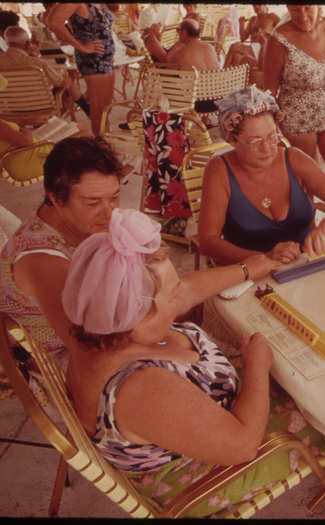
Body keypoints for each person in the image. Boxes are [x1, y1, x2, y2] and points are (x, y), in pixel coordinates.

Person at [60, 208, 325, 517]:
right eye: (171, 297)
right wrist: (256, 367)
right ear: (135, 317)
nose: (180, 299)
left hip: (198, 422)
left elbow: (188, 290)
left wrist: (253, 267)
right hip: (208, 475)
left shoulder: (105, 321)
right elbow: (241, 447)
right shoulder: (141, 388)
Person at [0, 137, 277, 367]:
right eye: (92, 202)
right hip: (73, 371)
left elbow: (174, 290)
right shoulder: (42, 260)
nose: (109, 213)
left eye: (114, 196)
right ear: (54, 197)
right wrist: (178, 355)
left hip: (113, 345)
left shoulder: (88, 226)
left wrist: (250, 268)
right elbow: (89, 351)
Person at [199, 86, 325, 266]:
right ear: (232, 140)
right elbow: (208, 242)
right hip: (249, 273)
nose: (267, 148)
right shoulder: (219, 170)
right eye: (255, 141)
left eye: (272, 136)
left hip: (303, 265)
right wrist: (265, 259)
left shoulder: (293, 158)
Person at [264, 4, 325, 185]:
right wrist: (272, 128)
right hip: (297, 117)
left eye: (307, 8)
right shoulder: (278, 40)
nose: (303, 16)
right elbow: (269, 92)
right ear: (288, 8)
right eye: (296, 10)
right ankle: (308, 213)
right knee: (308, 180)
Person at [47, 3, 115, 137]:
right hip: (93, 60)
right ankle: (101, 145)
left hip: (106, 59)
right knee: (99, 108)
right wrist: (81, 46)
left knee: (105, 106)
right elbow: (53, 22)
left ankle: (105, 138)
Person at [0, 26, 90, 116]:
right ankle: (87, 109)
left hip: (10, 108)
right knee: (67, 81)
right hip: (40, 106)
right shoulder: (37, 63)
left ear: (7, 43)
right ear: (27, 43)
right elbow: (60, 82)